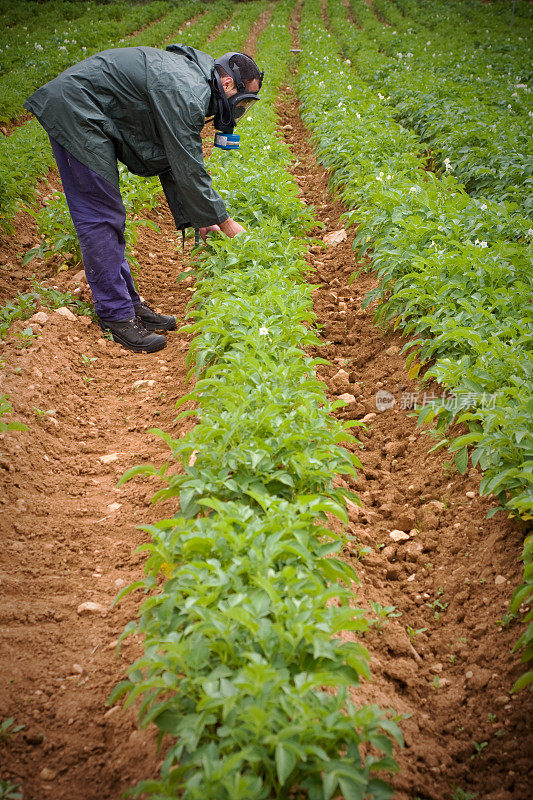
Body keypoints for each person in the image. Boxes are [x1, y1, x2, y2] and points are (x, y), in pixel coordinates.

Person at [24, 47, 263, 353]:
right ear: (227, 84)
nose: (239, 110)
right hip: (76, 109)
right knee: (101, 215)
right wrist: (226, 224)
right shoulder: (187, 92)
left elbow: (170, 159)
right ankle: (115, 315)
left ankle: (129, 305)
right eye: (242, 103)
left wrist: (200, 219)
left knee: (108, 213)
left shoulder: (196, 83)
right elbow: (188, 167)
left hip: (90, 107)